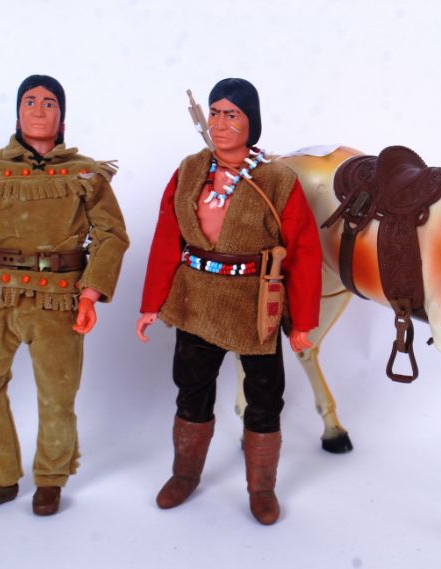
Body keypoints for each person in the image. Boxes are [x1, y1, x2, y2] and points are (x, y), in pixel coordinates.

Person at [0, 75, 129, 516]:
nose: (38, 109)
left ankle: (50, 480)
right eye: (29, 101)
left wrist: (90, 293)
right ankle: (3, 477)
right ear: (17, 112)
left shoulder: (86, 173)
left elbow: (111, 234)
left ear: (62, 117)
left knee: (58, 394)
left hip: (60, 299)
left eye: (49, 102)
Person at [136, 78, 321, 525]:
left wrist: (301, 322)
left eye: (232, 114)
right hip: (195, 300)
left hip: (253, 305)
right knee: (191, 390)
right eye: (215, 113)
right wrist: (152, 303)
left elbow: (303, 251)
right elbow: (167, 236)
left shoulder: (277, 180)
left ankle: (261, 488)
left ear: (250, 121)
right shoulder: (190, 170)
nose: (220, 123)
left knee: (265, 397)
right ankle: (185, 474)